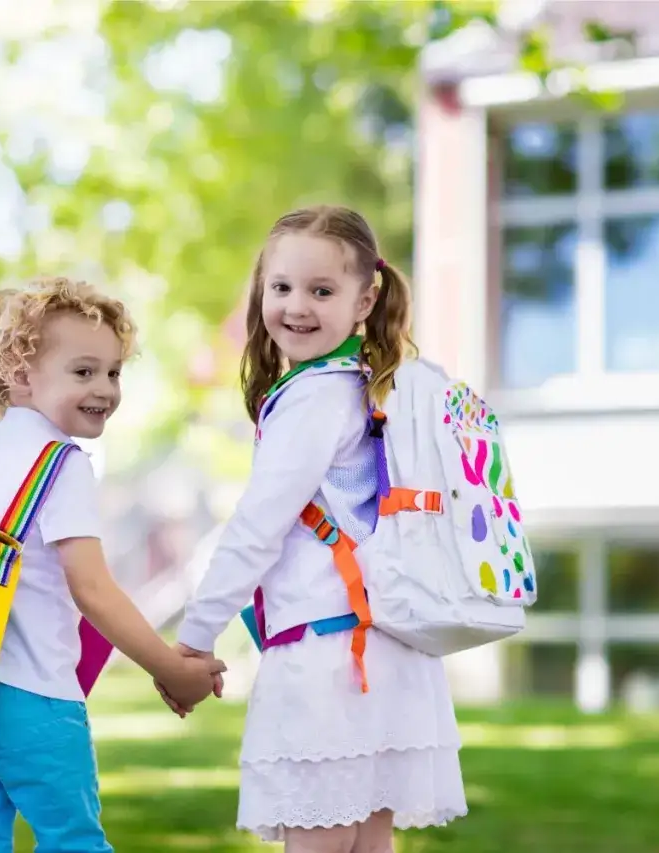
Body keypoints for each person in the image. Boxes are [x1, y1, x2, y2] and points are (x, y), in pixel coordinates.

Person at [166, 207, 467, 851]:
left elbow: (256, 528)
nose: (296, 306)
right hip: (387, 650)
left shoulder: (312, 397)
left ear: (365, 300)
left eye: (321, 291)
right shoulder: (372, 385)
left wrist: (192, 638)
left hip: (328, 664)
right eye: (281, 287)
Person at [0, 275, 226, 852]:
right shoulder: (60, 463)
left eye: (114, 372)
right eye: (83, 372)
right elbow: (92, 587)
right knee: (73, 842)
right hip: (32, 696)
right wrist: (168, 666)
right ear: (20, 374)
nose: (107, 390)